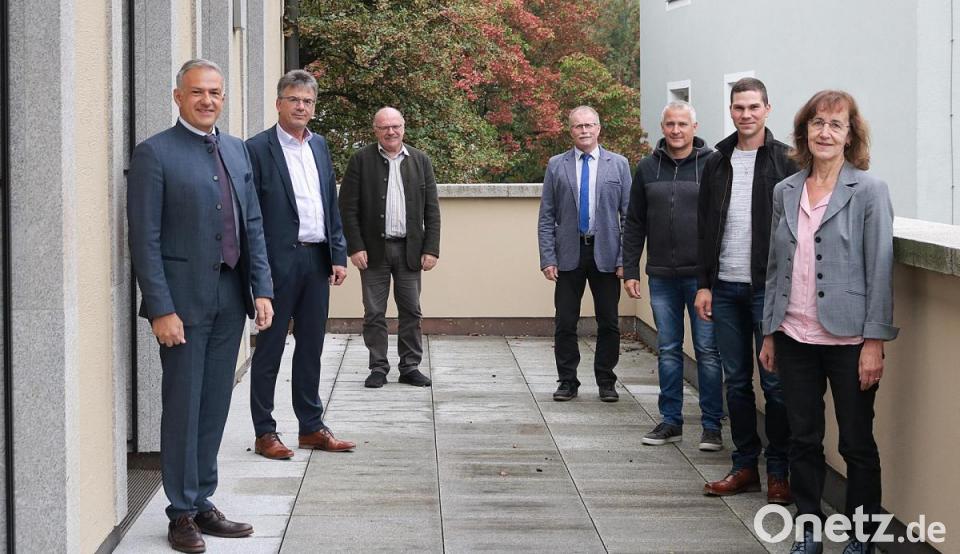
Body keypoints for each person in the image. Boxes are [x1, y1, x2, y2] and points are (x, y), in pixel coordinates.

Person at [127, 59, 274, 553]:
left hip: (231, 298)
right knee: (183, 407)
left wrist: (262, 289)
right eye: (197, 92)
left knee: (214, 405)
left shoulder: (235, 149)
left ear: (223, 97)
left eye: (214, 92)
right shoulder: (154, 154)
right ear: (178, 97)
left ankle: (203, 499)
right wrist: (160, 308)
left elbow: (252, 224)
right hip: (182, 306)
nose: (207, 100)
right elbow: (144, 240)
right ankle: (180, 512)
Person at [758, 90, 897, 554]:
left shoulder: (870, 191)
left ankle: (862, 536)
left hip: (850, 339)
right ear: (805, 131)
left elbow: (880, 269)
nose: (825, 132)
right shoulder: (785, 190)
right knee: (803, 439)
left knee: (856, 442)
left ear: (850, 135)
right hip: (793, 334)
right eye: (817, 122)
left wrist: (874, 342)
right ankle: (810, 530)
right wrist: (770, 332)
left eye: (836, 124)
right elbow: (775, 267)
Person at [695, 77, 796, 504]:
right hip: (724, 289)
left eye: (754, 106)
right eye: (739, 107)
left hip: (768, 292)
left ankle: (779, 471)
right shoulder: (716, 160)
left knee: (775, 384)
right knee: (736, 382)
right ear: (731, 110)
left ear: (767, 109)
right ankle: (744, 466)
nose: (746, 114)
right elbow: (704, 227)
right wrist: (704, 285)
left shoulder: (787, 161)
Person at [246, 70, 356, 460]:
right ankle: (265, 432)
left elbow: (329, 202)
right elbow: (251, 215)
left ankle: (311, 426)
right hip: (277, 264)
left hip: (316, 259)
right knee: (270, 349)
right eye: (293, 99)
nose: (301, 107)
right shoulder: (256, 149)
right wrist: (258, 271)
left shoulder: (319, 145)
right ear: (278, 103)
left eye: (307, 101)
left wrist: (337, 253)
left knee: (311, 347)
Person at [622, 101, 723, 450]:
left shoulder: (713, 165)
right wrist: (631, 269)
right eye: (670, 124)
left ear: (694, 127)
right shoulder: (647, 168)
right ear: (662, 127)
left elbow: (722, 220)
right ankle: (671, 421)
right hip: (662, 276)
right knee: (667, 349)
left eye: (682, 124)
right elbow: (634, 222)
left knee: (707, 351)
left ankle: (712, 426)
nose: (676, 130)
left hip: (702, 279)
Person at [338, 107, 441, 388]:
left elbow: (432, 210)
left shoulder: (420, 160)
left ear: (403, 128)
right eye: (384, 127)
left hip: (410, 251)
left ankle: (410, 366)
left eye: (395, 126)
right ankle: (378, 367)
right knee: (374, 313)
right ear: (375, 130)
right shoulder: (360, 160)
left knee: (412, 311)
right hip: (373, 252)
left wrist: (431, 249)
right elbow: (347, 208)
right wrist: (355, 246)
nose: (391, 131)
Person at [538, 105, 632, 402]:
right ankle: (567, 381)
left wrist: (624, 260)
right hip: (569, 253)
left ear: (599, 128)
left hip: (607, 255)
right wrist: (548, 257)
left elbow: (629, 217)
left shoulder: (619, 164)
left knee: (609, 322)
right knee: (565, 322)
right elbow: (546, 216)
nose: (584, 130)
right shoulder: (557, 165)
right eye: (578, 126)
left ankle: (606, 381)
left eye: (589, 125)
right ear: (571, 131)